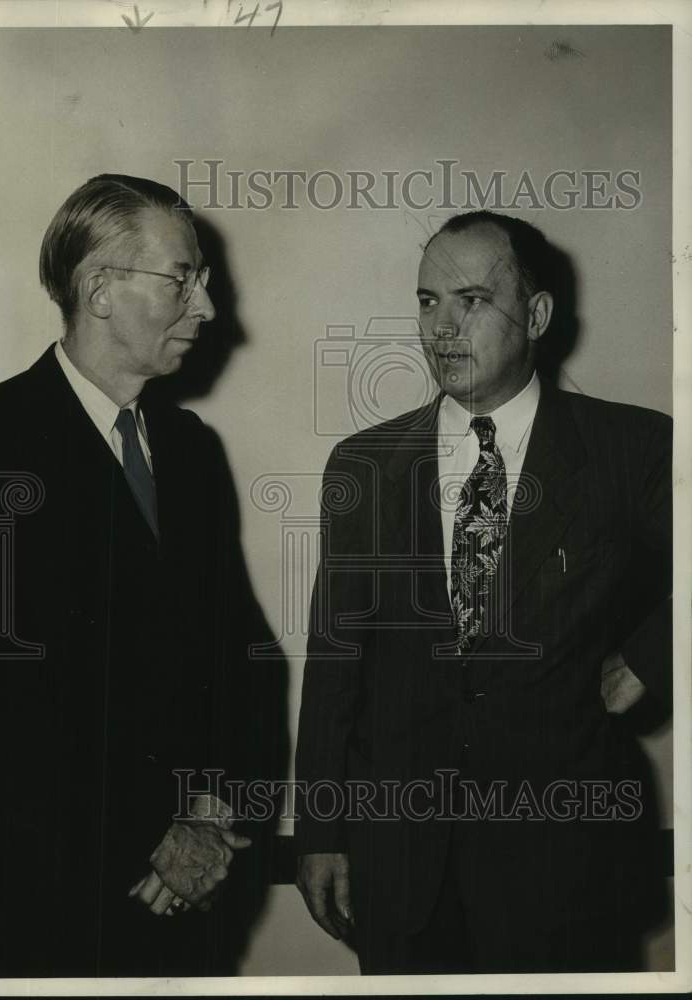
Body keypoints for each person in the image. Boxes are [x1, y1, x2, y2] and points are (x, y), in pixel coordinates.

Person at [295, 210, 672, 973]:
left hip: (563, 872)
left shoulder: (631, 449)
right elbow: (336, 662)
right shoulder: (363, 463)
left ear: (535, 315)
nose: (441, 327)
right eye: (427, 301)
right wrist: (321, 831)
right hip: (402, 873)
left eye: (470, 299)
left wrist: (650, 657)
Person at [0, 174, 258, 977]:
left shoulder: (190, 450)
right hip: (49, 899)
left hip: (190, 899)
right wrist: (157, 832)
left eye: (204, 283)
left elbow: (240, 657)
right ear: (99, 289)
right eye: (181, 280)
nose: (208, 309)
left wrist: (213, 817)